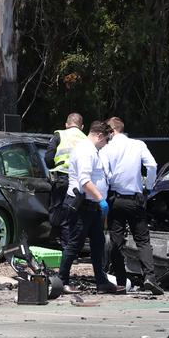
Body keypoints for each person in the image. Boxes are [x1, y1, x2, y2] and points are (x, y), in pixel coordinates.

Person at [101, 117, 164, 295]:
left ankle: (121, 281)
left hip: (116, 198)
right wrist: (148, 188)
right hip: (135, 198)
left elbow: (105, 172)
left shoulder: (107, 148)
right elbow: (152, 165)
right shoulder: (138, 145)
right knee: (143, 240)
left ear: (112, 131)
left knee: (116, 242)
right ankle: (150, 277)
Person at [58, 121, 121, 294]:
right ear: (99, 136)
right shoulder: (86, 151)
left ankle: (101, 281)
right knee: (74, 244)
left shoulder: (93, 150)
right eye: (106, 140)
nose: (106, 144)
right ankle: (61, 281)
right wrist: (101, 198)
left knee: (98, 244)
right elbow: (84, 181)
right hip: (82, 205)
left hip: (92, 206)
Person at [44, 113, 86, 249]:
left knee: (60, 215)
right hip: (81, 182)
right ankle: (74, 250)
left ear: (66, 124)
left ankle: (66, 249)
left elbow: (48, 159)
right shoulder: (86, 139)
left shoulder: (59, 135)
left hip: (62, 179)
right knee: (76, 216)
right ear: (82, 126)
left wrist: (54, 167)